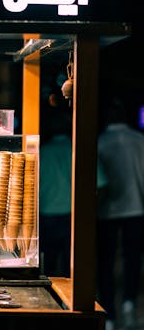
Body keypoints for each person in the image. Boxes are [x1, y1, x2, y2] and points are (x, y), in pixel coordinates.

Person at [39, 108, 107, 278]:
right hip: (74, 216)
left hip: (46, 215)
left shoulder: (42, 152)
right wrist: (93, 212)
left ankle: (51, 302)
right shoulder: (79, 151)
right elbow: (101, 185)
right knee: (73, 269)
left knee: (48, 267)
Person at [97, 98, 144, 330]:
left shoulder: (100, 142)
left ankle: (109, 313)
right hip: (135, 206)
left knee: (106, 261)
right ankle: (129, 300)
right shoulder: (139, 140)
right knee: (132, 257)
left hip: (107, 209)